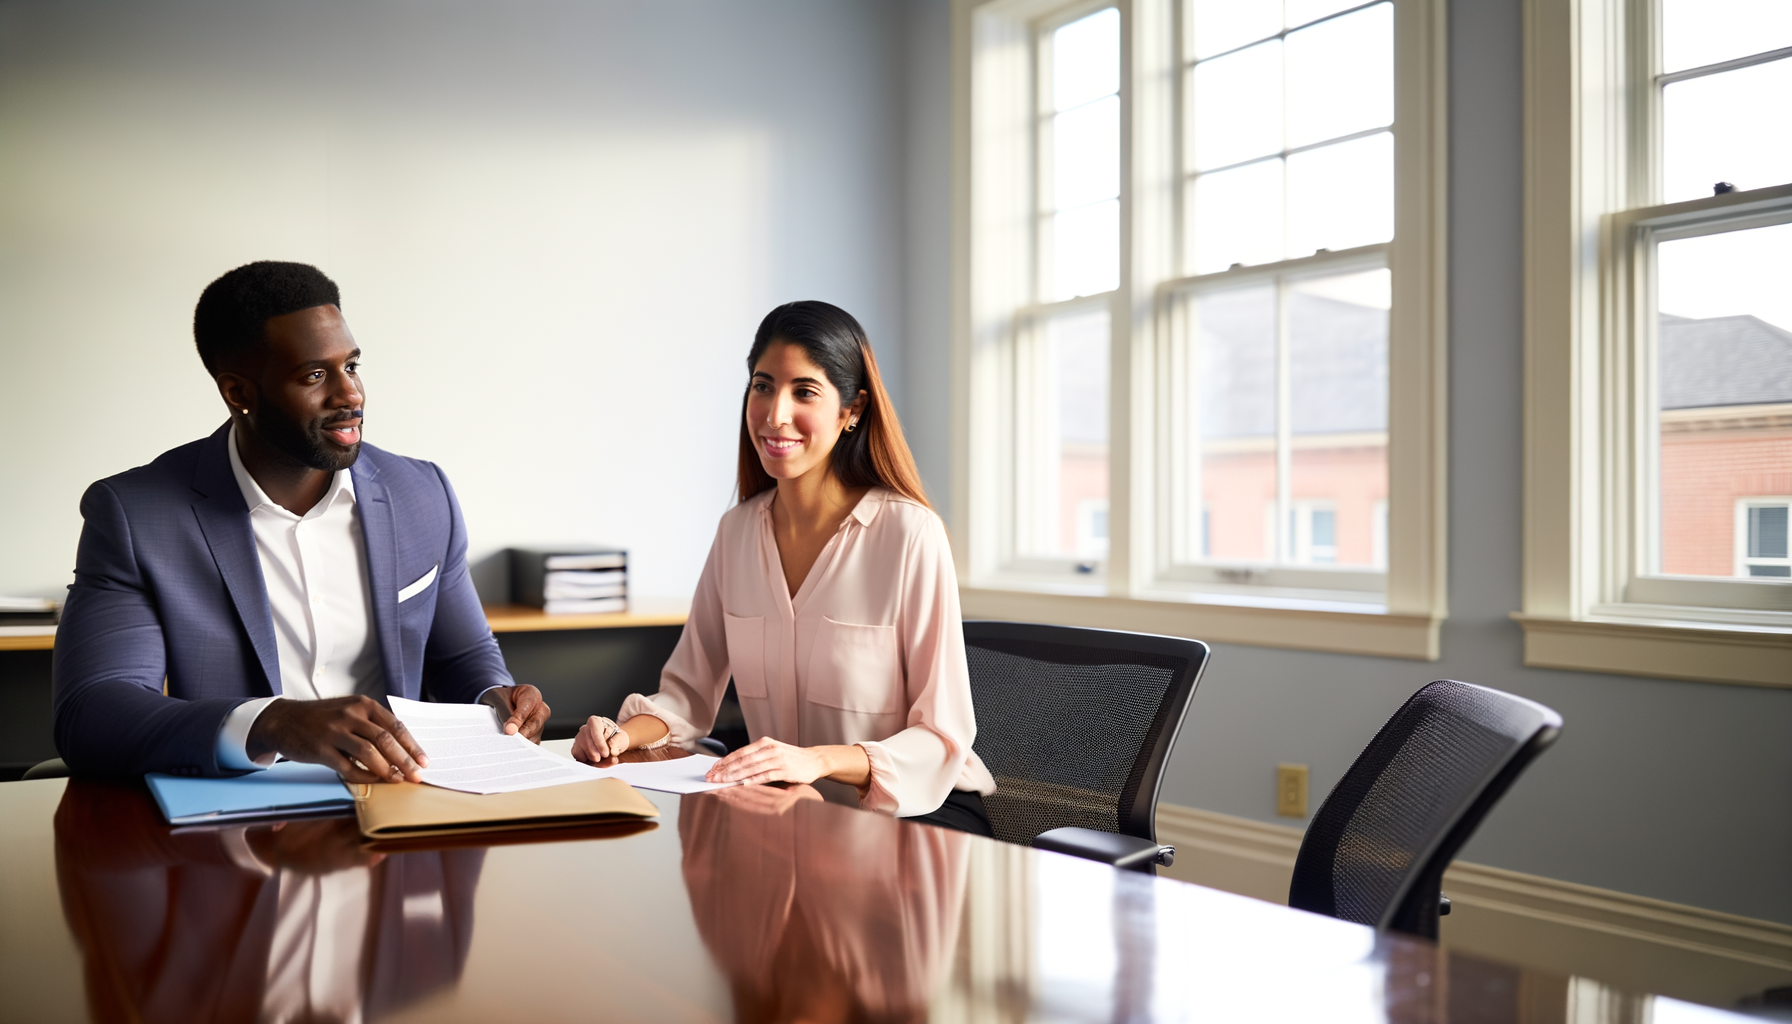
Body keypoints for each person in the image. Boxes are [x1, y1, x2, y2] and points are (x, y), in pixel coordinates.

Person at [52, 261, 548, 780]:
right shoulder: (137, 515)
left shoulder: (421, 494)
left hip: (400, 799)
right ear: (239, 393)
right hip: (240, 809)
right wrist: (272, 722)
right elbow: (92, 711)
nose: (350, 394)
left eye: (351, 366)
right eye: (314, 375)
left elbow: (461, 657)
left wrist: (496, 698)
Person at [572, 300, 996, 835]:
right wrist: (621, 735)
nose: (775, 414)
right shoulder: (736, 533)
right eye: (763, 386)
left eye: (805, 392)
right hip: (797, 814)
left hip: (918, 815)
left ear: (852, 410)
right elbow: (688, 694)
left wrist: (817, 761)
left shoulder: (910, 535)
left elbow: (942, 734)